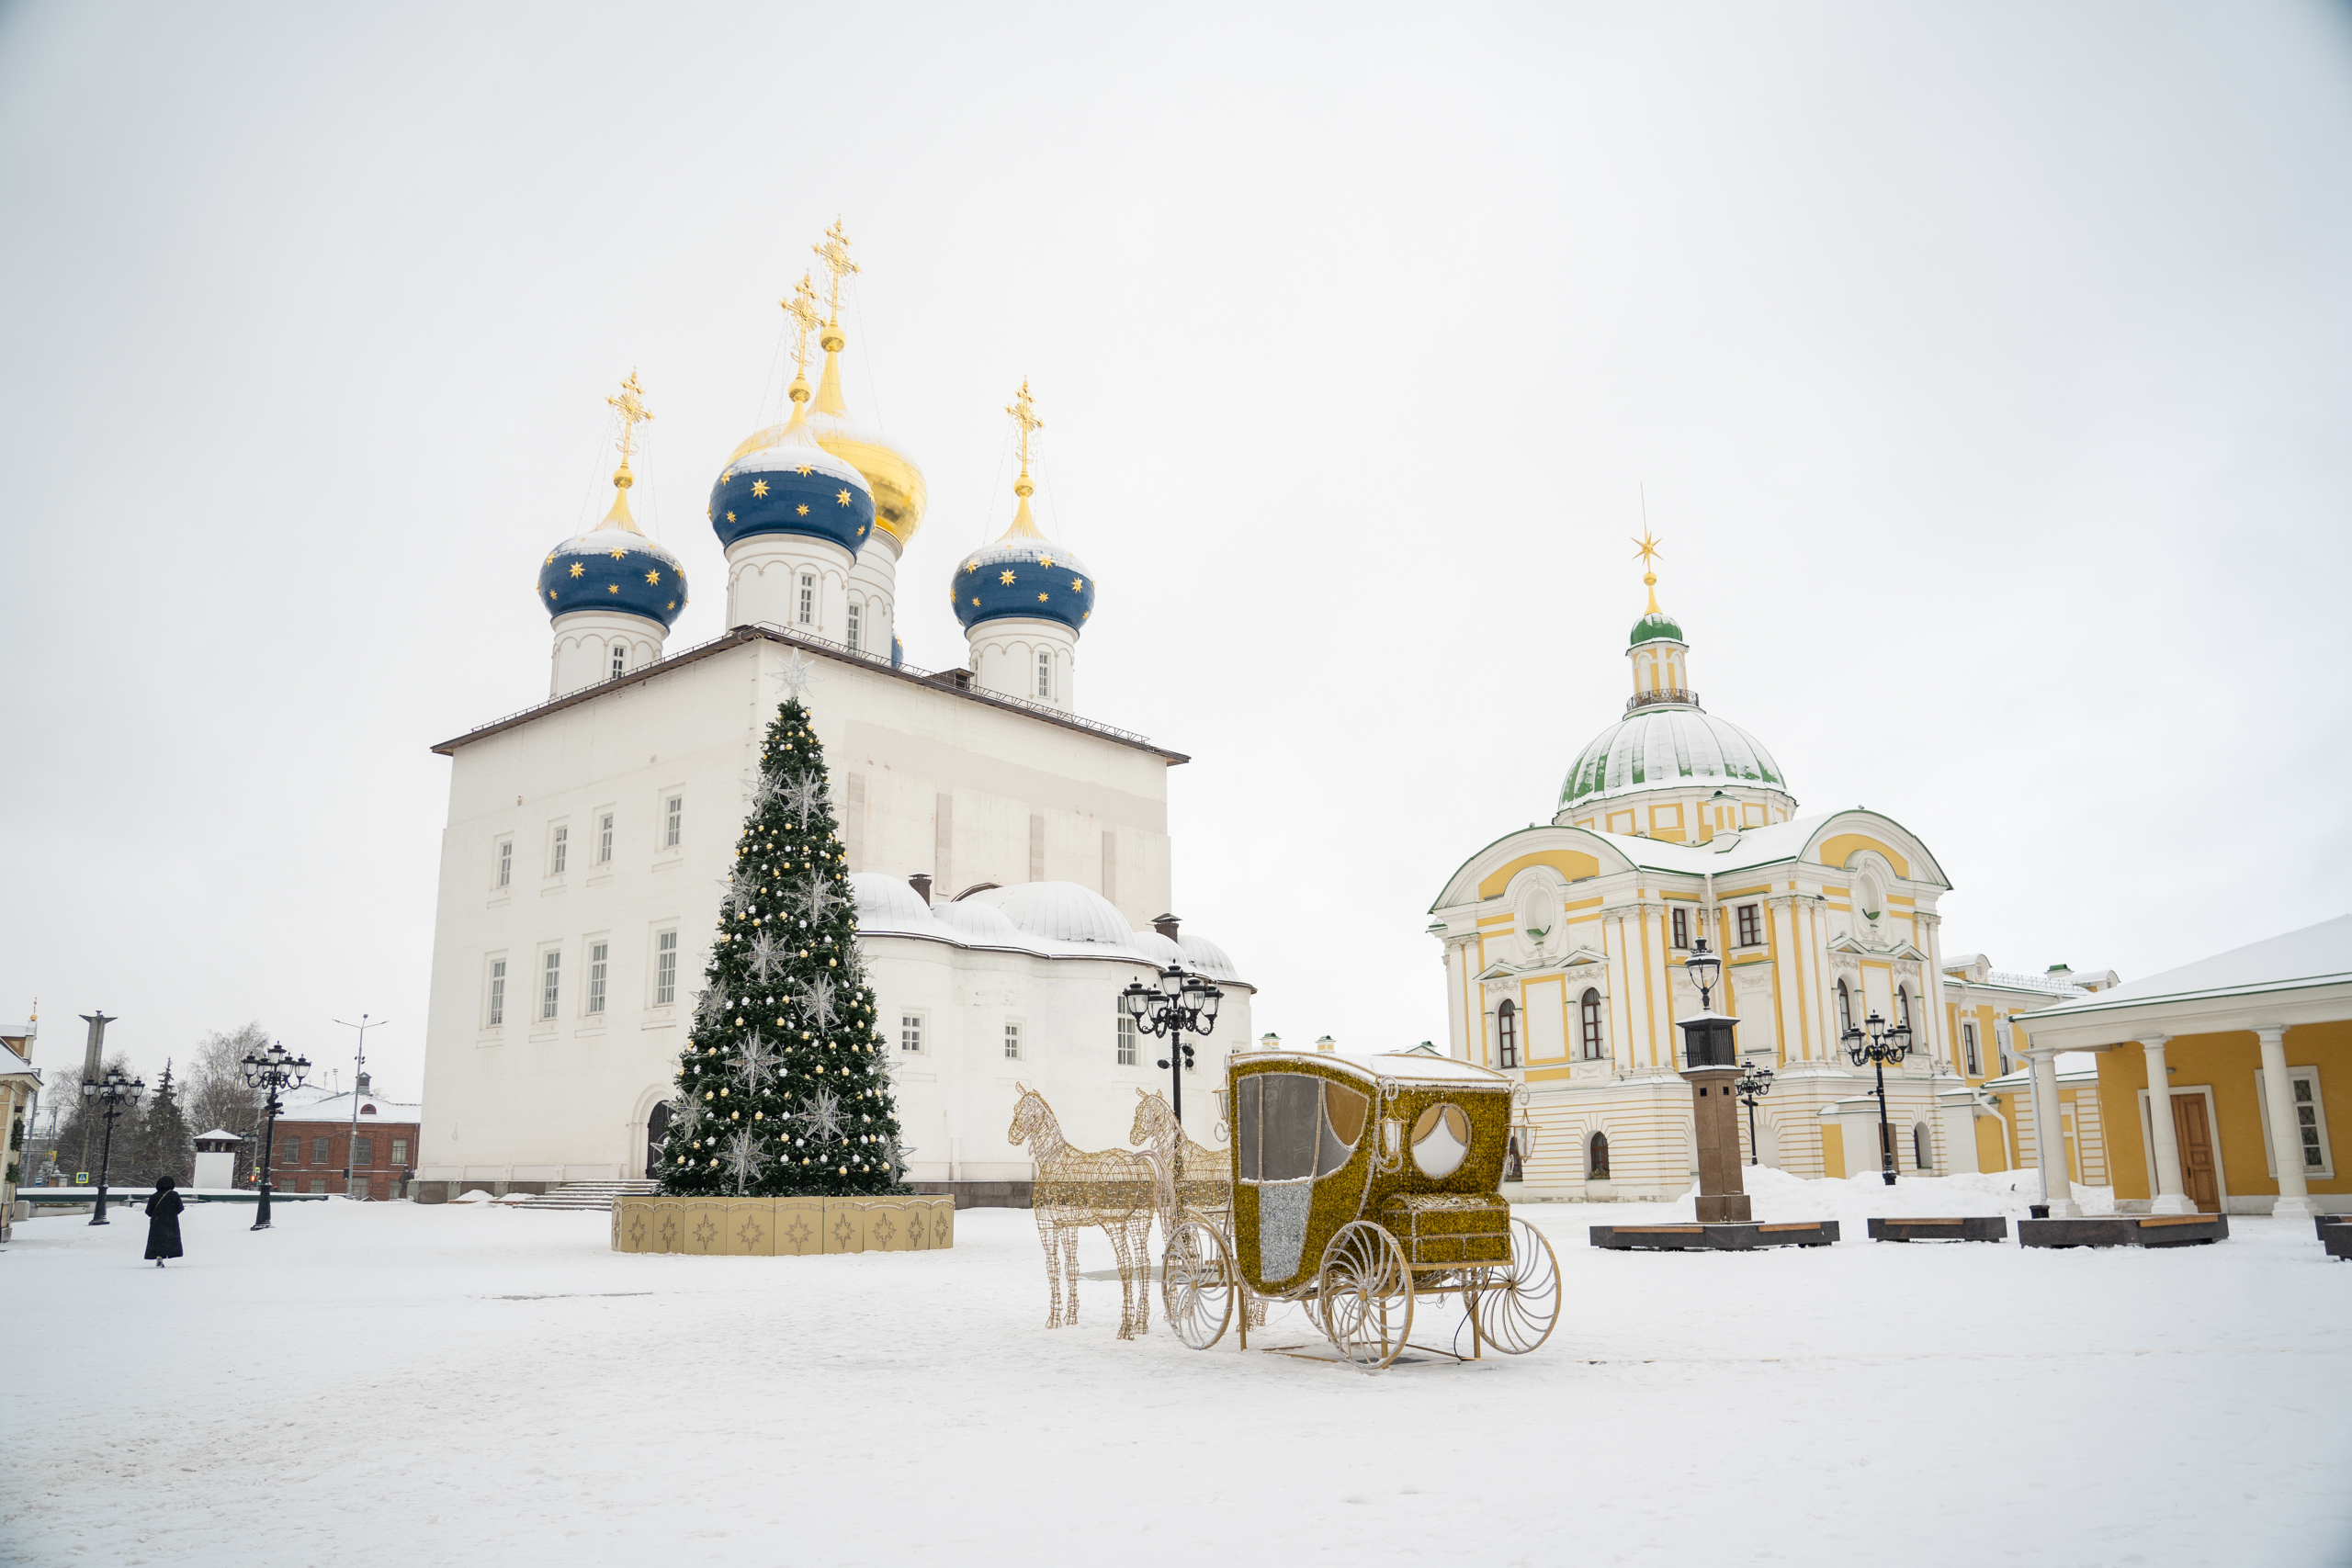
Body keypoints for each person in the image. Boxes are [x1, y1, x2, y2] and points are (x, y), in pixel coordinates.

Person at [145, 1175, 185, 1268]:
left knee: (157, 1240)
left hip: (157, 1222)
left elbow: (148, 1212)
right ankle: (169, 1253)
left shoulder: (154, 1196)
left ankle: (158, 1256)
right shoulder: (174, 1195)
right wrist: (171, 1214)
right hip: (171, 1222)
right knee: (170, 1239)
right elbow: (180, 1208)